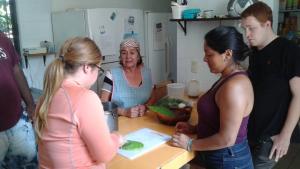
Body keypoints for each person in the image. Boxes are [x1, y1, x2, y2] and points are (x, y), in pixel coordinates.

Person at [34, 37, 125, 168]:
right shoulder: (85, 98)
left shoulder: (46, 96)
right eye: (98, 70)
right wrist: (116, 137)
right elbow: (104, 154)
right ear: (87, 67)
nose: (96, 76)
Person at [172, 26, 254, 169]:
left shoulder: (235, 87)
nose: (204, 59)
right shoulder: (227, 78)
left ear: (227, 54)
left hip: (228, 159)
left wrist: (190, 144)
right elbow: (219, 118)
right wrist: (194, 128)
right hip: (219, 157)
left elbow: (227, 139)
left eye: (209, 55)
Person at [241, 2, 300, 168]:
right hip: (250, 131)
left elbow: (299, 95)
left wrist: (285, 136)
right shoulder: (255, 52)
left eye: (251, 28)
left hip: (271, 136)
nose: (247, 34)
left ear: (267, 24)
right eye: (244, 28)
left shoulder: (288, 50)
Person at [0, 30, 38, 168]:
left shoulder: (1, 36)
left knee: (28, 165)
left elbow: (16, 69)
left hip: (17, 120)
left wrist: (30, 104)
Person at [100, 38, 155, 118]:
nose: (128, 56)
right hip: (118, 121)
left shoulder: (147, 73)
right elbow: (102, 103)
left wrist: (145, 107)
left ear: (138, 56)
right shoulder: (112, 74)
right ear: (121, 57)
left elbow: (152, 98)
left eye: (132, 53)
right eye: (124, 53)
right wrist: (124, 112)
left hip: (143, 120)